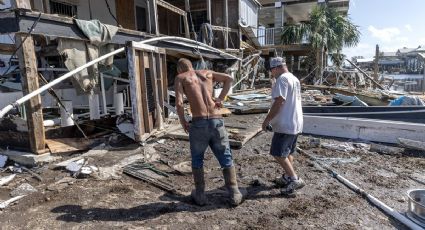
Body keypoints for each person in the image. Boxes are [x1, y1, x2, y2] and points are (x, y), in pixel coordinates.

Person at [174, 58, 243, 206]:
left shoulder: (181, 78)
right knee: (225, 156)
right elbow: (229, 79)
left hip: (199, 123)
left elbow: (179, 103)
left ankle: (200, 195)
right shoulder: (207, 73)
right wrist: (220, 98)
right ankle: (235, 193)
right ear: (192, 66)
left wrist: (183, 121)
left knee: (197, 159)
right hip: (216, 121)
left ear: (179, 69)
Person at [262, 57, 305, 195]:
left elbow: (279, 101)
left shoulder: (282, 79)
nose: (272, 74)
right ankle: (287, 176)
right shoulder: (294, 78)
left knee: (278, 153)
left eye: (271, 71)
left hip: (285, 123)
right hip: (295, 122)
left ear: (275, 68)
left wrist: (267, 120)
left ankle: (294, 179)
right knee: (288, 152)